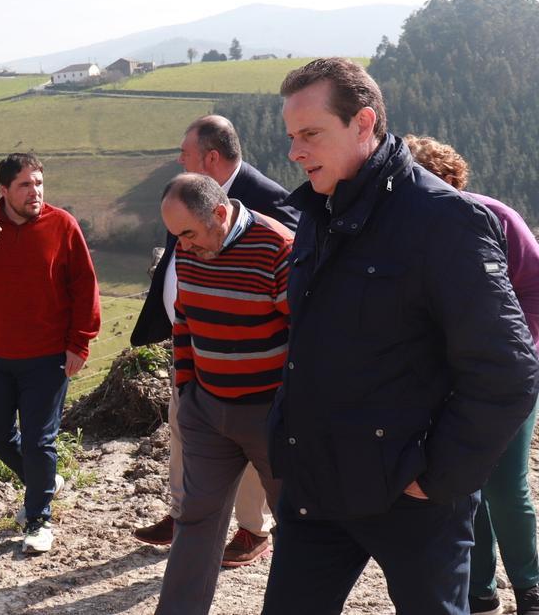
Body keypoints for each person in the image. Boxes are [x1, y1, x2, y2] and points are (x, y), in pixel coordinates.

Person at [262, 58, 539, 615]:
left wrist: (438, 479)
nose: (295, 152)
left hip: (411, 499)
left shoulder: (444, 221)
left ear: (363, 123)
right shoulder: (319, 210)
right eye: (292, 137)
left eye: (310, 134)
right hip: (316, 486)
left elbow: (508, 370)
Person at [132, 115, 298, 567]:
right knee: (185, 437)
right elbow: (182, 279)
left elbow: (296, 281)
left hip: (259, 383)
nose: (179, 160)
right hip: (199, 362)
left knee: (260, 467)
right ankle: (186, 517)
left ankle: (251, 529)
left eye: (185, 153)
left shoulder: (266, 201)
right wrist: (187, 378)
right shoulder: (184, 199)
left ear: (210, 157)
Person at [405, 134, 539, 615]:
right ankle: (479, 590)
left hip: (506, 376)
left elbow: (535, 286)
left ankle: (530, 585)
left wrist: (514, 349)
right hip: (442, 379)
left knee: (505, 484)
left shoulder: (495, 217)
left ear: (448, 179)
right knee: (464, 482)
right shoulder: (403, 228)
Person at [0, 152, 101, 554]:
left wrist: (79, 342)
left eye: (39, 184)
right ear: (3, 190)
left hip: (47, 357)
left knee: (39, 440)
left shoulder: (61, 224)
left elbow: (85, 286)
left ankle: (38, 519)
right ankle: (44, 482)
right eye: (25, 185)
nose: (35, 192)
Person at [153, 173, 293, 614]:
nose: (183, 247)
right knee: (195, 522)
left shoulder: (277, 247)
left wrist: (292, 411)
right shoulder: (189, 245)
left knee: (300, 526)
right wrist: (188, 391)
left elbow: (310, 334)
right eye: (176, 237)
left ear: (219, 213)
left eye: (188, 234)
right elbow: (184, 320)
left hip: (271, 417)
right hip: (208, 413)